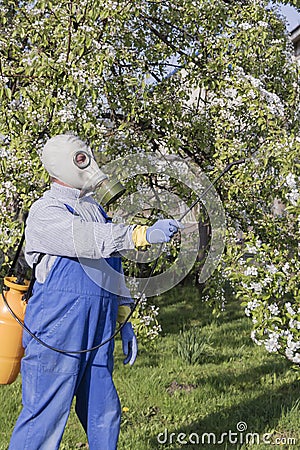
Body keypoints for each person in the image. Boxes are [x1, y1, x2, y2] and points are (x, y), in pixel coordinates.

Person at [9, 133, 180, 450]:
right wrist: (140, 234)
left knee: (104, 412)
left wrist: (124, 317)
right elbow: (88, 239)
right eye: (80, 159)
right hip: (56, 334)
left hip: (98, 331)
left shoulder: (93, 209)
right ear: (62, 166)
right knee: (44, 419)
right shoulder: (46, 211)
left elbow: (110, 266)